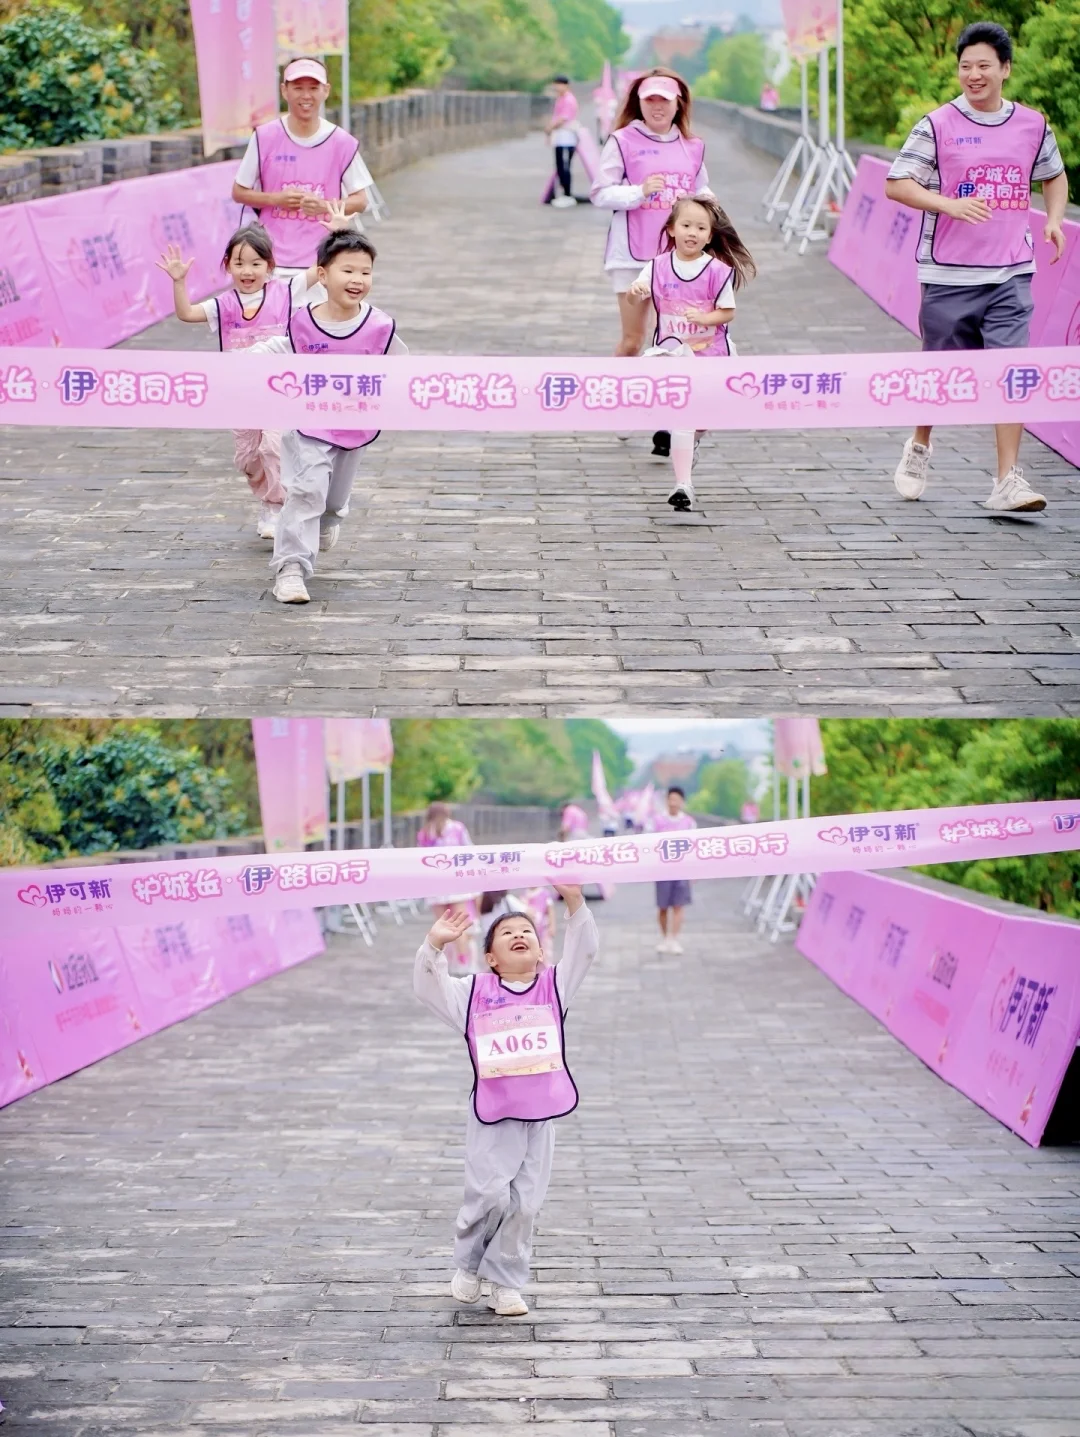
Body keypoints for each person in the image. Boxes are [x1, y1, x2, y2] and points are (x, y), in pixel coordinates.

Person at [885, 21, 1067, 514]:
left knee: (1011, 372)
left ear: (1005, 69)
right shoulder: (937, 124)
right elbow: (897, 183)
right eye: (966, 66)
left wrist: (1053, 220)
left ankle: (1007, 480)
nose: (973, 75)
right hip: (949, 273)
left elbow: (1053, 175)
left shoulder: (1032, 124)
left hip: (1012, 271)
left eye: (984, 65)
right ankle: (920, 443)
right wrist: (948, 204)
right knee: (940, 373)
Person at [413, 883, 597, 1317]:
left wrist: (575, 901)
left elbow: (584, 950)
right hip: (494, 1116)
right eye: (507, 933)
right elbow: (429, 988)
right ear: (491, 957)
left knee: (525, 1203)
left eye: (527, 931)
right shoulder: (473, 994)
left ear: (541, 951)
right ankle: (470, 1264)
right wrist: (434, 945)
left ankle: (505, 1282)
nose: (519, 935)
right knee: (489, 1196)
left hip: (540, 1115)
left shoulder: (554, 987)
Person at [157, 208, 348, 541]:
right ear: (227, 265)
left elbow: (323, 268)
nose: (247, 271)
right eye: (239, 263)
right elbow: (186, 313)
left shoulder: (286, 291)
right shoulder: (223, 304)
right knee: (248, 458)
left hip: (280, 390)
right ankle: (271, 498)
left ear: (269, 266)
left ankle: (278, 506)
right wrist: (179, 282)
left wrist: (337, 235)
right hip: (241, 393)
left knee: (274, 447)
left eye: (256, 263)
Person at [246, 231, 408, 604]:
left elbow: (402, 370)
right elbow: (281, 348)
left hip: (354, 426)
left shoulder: (380, 327)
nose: (357, 280)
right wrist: (240, 362)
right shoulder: (303, 322)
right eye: (347, 270)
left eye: (365, 272)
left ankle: (326, 522)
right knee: (306, 492)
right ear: (322, 274)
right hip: (308, 424)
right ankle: (291, 569)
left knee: (332, 502)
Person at [590, 67, 712, 460]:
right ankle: (620, 405)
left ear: (679, 103)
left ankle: (667, 419)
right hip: (631, 257)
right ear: (639, 103)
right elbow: (600, 192)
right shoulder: (623, 141)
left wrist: (711, 220)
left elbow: (702, 191)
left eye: (665, 100)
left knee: (674, 340)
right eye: (650, 100)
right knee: (633, 340)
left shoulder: (692, 147)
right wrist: (638, 192)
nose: (657, 107)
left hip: (678, 260)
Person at [628, 195, 756, 511]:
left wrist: (704, 318)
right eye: (686, 225)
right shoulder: (656, 266)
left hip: (711, 356)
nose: (693, 232)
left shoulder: (718, 271)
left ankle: (692, 443)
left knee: (703, 418)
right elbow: (635, 297)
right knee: (683, 417)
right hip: (671, 355)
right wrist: (635, 292)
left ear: (710, 236)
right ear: (671, 229)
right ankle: (683, 485)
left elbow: (727, 312)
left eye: (701, 228)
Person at [231, 57, 374, 276]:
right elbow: (239, 192)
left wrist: (323, 206)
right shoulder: (264, 137)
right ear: (284, 90)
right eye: (298, 88)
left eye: (313, 88)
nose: (306, 96)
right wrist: (276, 199)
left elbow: (361, 201)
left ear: (326, 91)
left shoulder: (341, 142)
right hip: (270, 261)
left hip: (321, 263)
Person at [417, 803, 477, 975]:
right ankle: (448, 961)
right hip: (436, 884)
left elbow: (469, 849)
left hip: (457, 882)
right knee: (443, 924)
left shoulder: (457, 828)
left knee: (459, 922)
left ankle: (464, 959)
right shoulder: (425, 833)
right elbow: (420, 856)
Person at [652, 786, 696, 954]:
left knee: (678, 905)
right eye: (670, 799)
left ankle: (674, 939)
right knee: (663, 906)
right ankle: (665, 938)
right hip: (662, 870)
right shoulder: (657, 821)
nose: (673, 803)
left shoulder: (689, 822)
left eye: (676, 800)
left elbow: (694, 846)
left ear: (681, 802)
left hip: (682, 870)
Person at [545, 76, 579, 209]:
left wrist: (550, 127)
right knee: (560, 166)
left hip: (567, 136)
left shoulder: (569, 100)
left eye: (559, 84)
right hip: (560, 136)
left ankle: (568, 194)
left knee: (565, 167)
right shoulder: (561, 99)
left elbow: (563, 118)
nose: (556, 87)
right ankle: (564, 193)